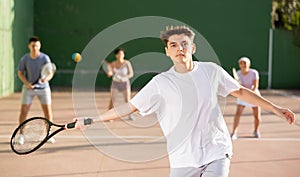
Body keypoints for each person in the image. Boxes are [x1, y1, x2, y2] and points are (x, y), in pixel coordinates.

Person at [76, 26, 295, 177]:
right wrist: (92, 119)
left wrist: (274, 108)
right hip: (182, 159)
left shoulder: (211, 71)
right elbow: (129, 107)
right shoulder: (160, 83)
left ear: (193, 48)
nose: (179, 48)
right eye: (173, 45)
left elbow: (241, 92)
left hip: (216, 151)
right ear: (167, 51)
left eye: (184, 44)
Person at [17, 36, 55, 144]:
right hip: (29, 89)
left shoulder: (45, 58)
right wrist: (27, 83)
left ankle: (49, 135)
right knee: (24, 111)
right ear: (29, 46)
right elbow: (20, 73)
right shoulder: (25, 59)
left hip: (43, 89)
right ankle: (21, 135)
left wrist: (45, 79)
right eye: (33, 46)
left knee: (47, 112)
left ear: (40, 46)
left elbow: (50, 72)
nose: (35, 48)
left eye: (37, 46)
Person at [231, 57, 261, 140]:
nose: (243, 65)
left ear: (249, 64)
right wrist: (244, 94)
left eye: (245, 63)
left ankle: (256, 130)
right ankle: (234, 132)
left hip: (254, 95)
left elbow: (255, 86)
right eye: (241, 63)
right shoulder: (238, 73)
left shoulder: (254, 72)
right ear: (239, 65)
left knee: (256, 116)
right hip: (242, 95)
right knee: (238, 114)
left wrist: (250, 94)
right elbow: (238, 86)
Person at [105, 48, 134, 120]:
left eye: (122, 54)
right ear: (116, 55)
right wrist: (109, 73)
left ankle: (130, 115)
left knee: (127, 100)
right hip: (115, 84)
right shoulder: (113, 64)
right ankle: (108, 117)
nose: (121, 55)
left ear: (123, 55)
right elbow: (110, 73)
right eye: (119, 54)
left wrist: (124, 78)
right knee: (112, 100)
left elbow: (131, 74)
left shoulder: (127, 63)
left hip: (125, 84)